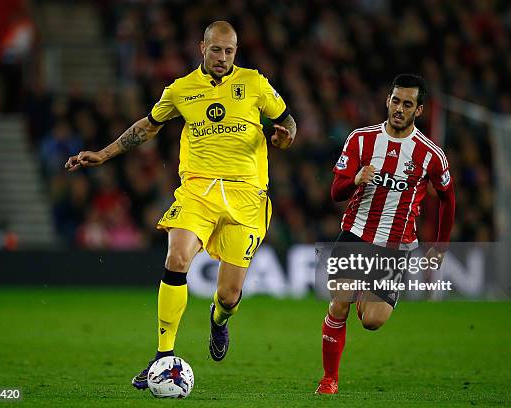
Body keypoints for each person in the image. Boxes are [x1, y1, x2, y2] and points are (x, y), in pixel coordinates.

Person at [65, 21, 296, 389]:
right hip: (198, 191)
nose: (223, 58)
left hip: (248, 196)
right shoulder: (181, 90)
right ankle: (162, 357)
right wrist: (103, 154)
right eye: (216, 50)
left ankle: (219, 320)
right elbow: (147, 126)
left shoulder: (255, 83)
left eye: (230, 51)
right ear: (202, 46)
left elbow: (288, 123)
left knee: (228, 295)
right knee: (176, 259)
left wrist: (284, 139)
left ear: (236, 52)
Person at [315, 74, 455, 395]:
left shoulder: (430, 155)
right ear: (387, 100)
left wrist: (441, 245)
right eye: (396, 101)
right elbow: (336, 191)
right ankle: (329, 380)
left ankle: (369, 293)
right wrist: (356, 179)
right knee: (339, 305)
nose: (399, 109)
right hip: (355, 235)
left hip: (396, 246)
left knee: (372, 321)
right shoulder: (361, 139)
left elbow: (449, 198)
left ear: (419, 110)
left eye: (408, 104)